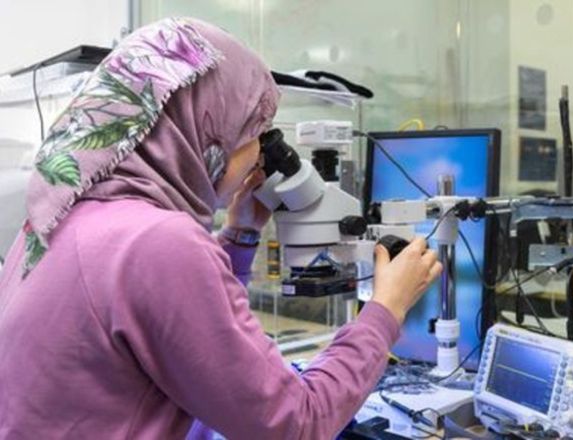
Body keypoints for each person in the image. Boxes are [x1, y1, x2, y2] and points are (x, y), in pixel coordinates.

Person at [0, 18, 442, 439]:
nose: (258, 155)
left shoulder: (64, 210)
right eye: (254, 132)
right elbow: (296, 425)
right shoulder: (159, 243)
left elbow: (178, 334)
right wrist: (385, 310)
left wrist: (241, 234)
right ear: (207, 134)